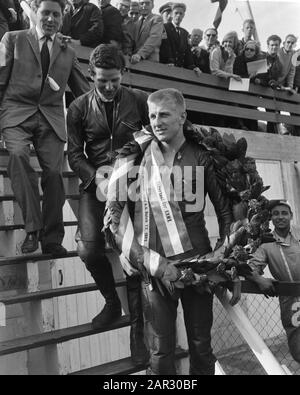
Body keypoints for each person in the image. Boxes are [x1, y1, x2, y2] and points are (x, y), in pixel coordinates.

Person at [104, 88, 232, 375]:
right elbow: (115, 210)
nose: (157, 121)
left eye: (164, 114)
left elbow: (226, 212)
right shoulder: (135, 157)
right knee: (161, 351)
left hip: (199, 264)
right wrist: (136, 254)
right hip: (155, 264)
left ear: (182, 116)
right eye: (152, 115)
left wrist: (223, 258)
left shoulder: (203, 156)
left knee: (201, 345)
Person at [67, 44, 149, 365]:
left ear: (123, 74)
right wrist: (99, 180)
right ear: (91, 76)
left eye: (115, 79)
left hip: (132, 183)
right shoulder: (76, 107)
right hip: (95, 183)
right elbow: (74, 155)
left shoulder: (141, 100)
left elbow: (156, 134)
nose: (110, 86)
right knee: (88, 249)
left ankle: (137, 331)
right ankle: (111, 302)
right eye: (102, 81)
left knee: (130, 254)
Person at [0, 0, 90, 255]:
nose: (51, 19)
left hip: (50, 118)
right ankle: (32, 229)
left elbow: (83, 91)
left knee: (53, 173)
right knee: (17, 157)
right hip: (15, 113)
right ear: (35, 14)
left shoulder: (67, 50)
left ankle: (52, 239)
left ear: (62, 19)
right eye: (46, 13)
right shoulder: (11, 38)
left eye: (56, 15)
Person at [247, 200, 300, 364]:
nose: (280, 217)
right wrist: (258, 279)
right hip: (291, 301)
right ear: (270, 218)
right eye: (275, 213)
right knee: (298, 348)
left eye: (284, 213)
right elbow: (250, 266)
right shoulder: (265, 242)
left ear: (291, 215)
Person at [159, 2, 201, 75]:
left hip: (179, 70)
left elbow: (188, 52)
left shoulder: (185, 33)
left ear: (183, 16)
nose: (178, 15)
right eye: (176, 13)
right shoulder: (164, 27)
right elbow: (164, 46)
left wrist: (193, 67)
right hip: (166, 68)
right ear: (172, 14)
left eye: (181, 14)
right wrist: (168, 61)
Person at [130, 0, 164, 64]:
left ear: (153, 6)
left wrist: (140, 54)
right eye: (142, 3)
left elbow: (154, 38)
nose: (144, 6)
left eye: (147, 3)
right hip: (134, 61)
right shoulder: (137, 22)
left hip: (150, 61)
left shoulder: (157, 19)